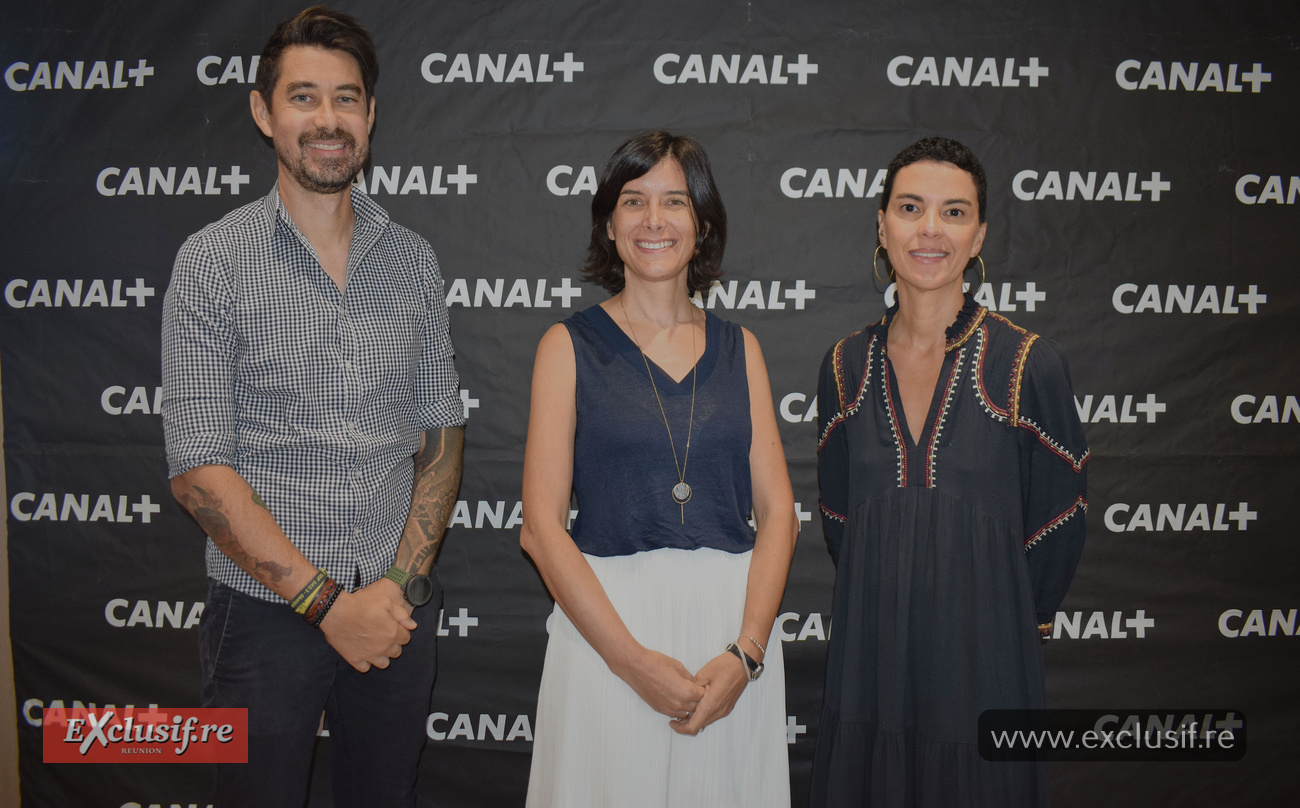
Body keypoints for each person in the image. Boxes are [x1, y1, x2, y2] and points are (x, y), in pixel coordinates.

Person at [160, 7, 464, 807]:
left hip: (397, 607)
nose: (327, 119)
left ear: (370, 116)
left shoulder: (413, 259)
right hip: (263, 620)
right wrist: (327, 605)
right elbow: (198, 471)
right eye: (304, 97)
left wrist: (399, 585)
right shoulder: (212, 262)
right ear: (264, 113)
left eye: (347, 98)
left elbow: (439, 429)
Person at [520, 131, 798, 807]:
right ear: (609, 226)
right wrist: (629, 660)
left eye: (674, 202)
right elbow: (541, 528)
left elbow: (780, 513)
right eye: (633, 201)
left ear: (701, 228)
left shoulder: (742, 348)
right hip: (605, 634)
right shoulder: (567, 345)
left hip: (728, 642)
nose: (653, 220)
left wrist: (747, 656)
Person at [811, 137, 1088, 807]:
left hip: (985, 663)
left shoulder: (1026, 363)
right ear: (882, 223)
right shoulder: (844, 365)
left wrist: (1008, 629)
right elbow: (841, 520)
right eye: (911, 207)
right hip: (870, 657)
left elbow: (1060, 519)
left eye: (954, 212)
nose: (930, 229)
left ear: (979, 233)